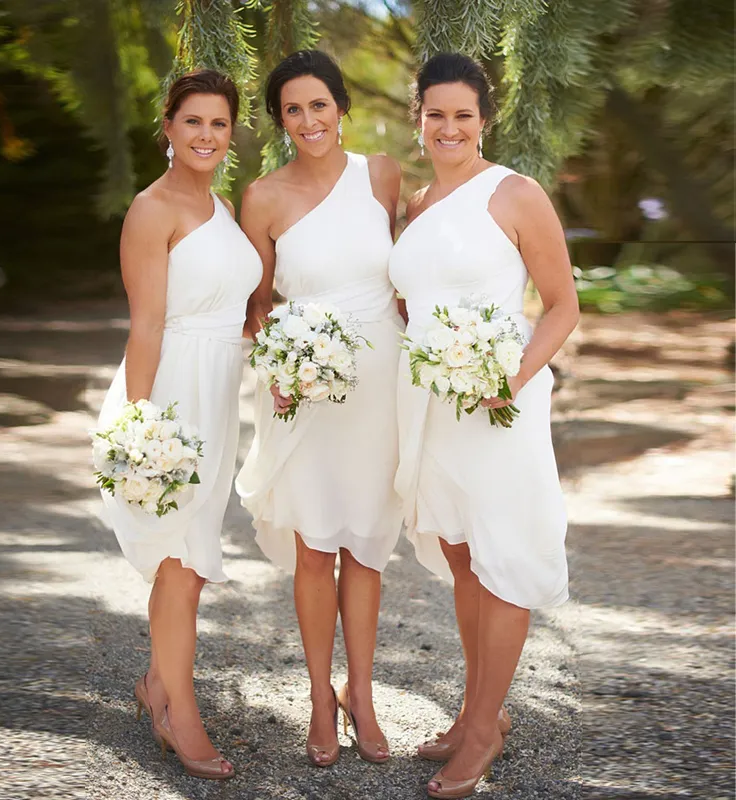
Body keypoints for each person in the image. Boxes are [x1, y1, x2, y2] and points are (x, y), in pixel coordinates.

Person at [389, 52, 579, 799]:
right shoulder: (416, 205)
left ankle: (481, 729)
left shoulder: (516, 193)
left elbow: (562, 306)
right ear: (419, 119)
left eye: (462, 114)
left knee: (500, 561)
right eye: (434, 113)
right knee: (464, 555)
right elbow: (414, 301)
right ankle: (476, 716)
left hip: (499, 402)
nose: (448, 126)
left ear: (483, 120)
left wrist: (507, 377)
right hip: (434, 402)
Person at [235, 50, 404, 767]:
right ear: (281, 121)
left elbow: (409, 273)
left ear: (343, 108)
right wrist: (279, 366)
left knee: (366, 545)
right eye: (293, 110)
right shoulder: (263, 197)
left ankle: (359, 693)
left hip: (380, 380)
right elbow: (256, 305)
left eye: (320, 105)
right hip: (304, 389)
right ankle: (316, 697)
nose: (309, 120)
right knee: (315, 548)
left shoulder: (383, 175)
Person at [96, 69, 261, 781]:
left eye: (218, 124)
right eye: (192, 121)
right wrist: (140, 427)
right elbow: (147, 324)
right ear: (167, 128)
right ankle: (180, 715)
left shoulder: (223, 206)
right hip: (172, 393)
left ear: (230, 134)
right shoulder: (151, 208)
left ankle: (157, 682)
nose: (205, 135)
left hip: (221, 391)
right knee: (180, 558)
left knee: (194, 553)